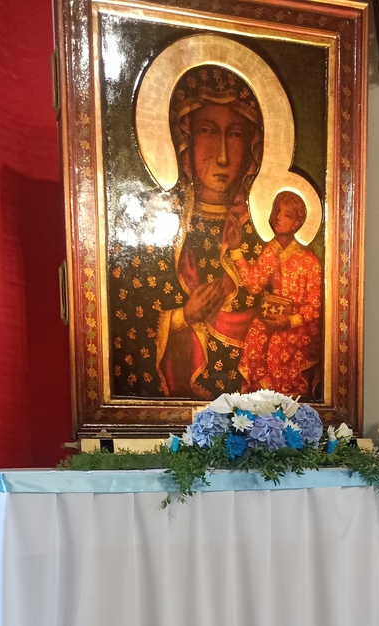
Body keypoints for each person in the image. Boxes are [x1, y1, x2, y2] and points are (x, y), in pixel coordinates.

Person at [109, 65, 266, 400]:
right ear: (184, 139)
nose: (222, 156)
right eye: (207, 131)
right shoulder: (148, 225)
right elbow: (124, 325)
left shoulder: (261, 231)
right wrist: (182, 317)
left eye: (235, 134)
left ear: (252, 146)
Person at [223, 190, 322, 397]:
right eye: (276, 210)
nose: (278, 217)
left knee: (279, 343)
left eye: (287, 215)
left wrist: (289, 320)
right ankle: (259, 398)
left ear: (297, 223)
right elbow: (254, 285)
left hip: (298, 327)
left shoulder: (309, 260)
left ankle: (282, 401)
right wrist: (236, 249)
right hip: (274, 319)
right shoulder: (271, 252)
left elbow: (314, 307)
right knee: (257, 331)